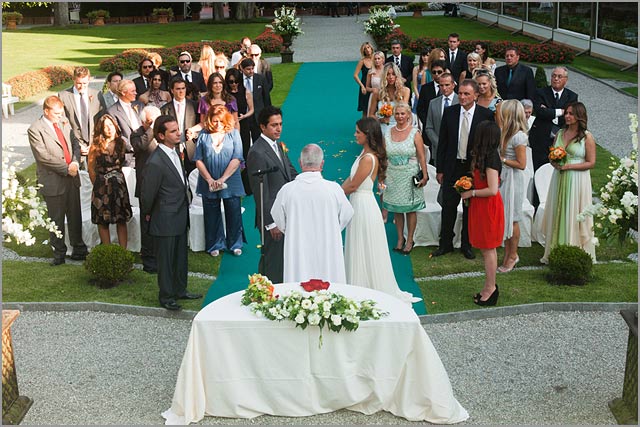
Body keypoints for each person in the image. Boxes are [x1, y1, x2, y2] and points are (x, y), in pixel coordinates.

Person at [342, 117, 421, 304]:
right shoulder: (364, 154)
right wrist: (336, 191)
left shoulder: (369, 159)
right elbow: (349, 179)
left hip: (363, 205)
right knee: (359, 242)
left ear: (367, 135)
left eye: (358, 132)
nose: (355, 135)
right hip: (358, 203)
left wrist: (332, 194)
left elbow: (353, 185)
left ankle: (366, 285)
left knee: (365, 244)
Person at [140, 115, 202, 311]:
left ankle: (180, 289)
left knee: (179, 256)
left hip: (179, 214)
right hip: (165, 217)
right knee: (166, 260)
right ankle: (166, 296)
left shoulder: (175, 153)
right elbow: (147, 194)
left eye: (178, 129)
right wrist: (150, 215)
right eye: (173, 131)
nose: (178, 133)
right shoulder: (156, 161)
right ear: (161, 135)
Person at [271, 144, 353, 283]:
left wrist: (291, 231)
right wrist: (332, 230)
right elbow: (347, 214)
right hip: (328, 245)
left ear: (300, 163)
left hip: (297, 245)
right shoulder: (333, 189)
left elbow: (277, 216)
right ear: (322, 164)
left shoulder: (287, 190)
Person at [432, 79, 495, 260]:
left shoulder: (485, 115)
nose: (462, 97)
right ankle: (445, 244)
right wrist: (440, 169)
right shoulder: (450, 113)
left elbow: (488, 145)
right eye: (460, 93)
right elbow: (442, 143)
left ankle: (467, 244)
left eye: (466, 94)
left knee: (470, 209)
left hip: (472, 169)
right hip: (452, 167)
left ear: (476, 95)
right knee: (448, 206)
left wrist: (482, 170)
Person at [27, 95, 88, 265]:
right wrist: (66, 168)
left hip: (72, 176)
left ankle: (79, 249)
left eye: (61, 113)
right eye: (56, 113)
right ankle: (59, 253)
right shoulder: (35, 129)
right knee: (56, 219)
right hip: (53, 180)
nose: (60, 116)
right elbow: (43, 156)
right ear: (46, 111)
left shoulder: (64, 122)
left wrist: (75, 162)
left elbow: (75, 143)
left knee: (75, 216)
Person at [246, 106, 298, 284]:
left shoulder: (277, 146)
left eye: (280, 124)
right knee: (273, 262)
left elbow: (290, 172)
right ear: (262, 127)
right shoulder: (257, 152)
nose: (279, 129)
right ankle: (270, 295)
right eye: (274, 125)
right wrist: (271, 223)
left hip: (285, 213)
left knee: (283, 260)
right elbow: (260, 192)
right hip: (273, 220)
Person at [540, 102, 596, 264]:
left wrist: (569, 166)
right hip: (559, 177)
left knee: (573, 211)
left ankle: (574, 249)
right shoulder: (559, 133)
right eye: (566, 113)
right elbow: (552, 154)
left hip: (577, 179)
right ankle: (554, 250)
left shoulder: (587, 137)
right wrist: (554, 162)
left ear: (579, 116)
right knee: (558, 209)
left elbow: (591, 162)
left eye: (571, 113)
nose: (567, 116)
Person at [460, 121, 505, 306]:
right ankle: (489, 286)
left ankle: (491, 288)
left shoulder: (492, 157)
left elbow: (493, 189)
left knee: (488, 249)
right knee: (485, 249)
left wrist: (472, 192)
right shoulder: (483, 155)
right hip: (481, 206)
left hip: (488, 206)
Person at [194, 105, 246, 257]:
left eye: (221, 121)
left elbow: (237, 158)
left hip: (231, 180)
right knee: (211, 213)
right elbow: (198, 159)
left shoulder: (234, 134)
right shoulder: (203, 135)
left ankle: (235, 243)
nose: (218, 124)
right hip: (207, 181)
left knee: (234, 211)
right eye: (215, 121)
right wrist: (210, 179)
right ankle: (214, 244)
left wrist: (223, 179)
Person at [382, 102, 428, 254]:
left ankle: (410, 240)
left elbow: (421, 156)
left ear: (408, 115)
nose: (400, 116)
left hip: (409, 174)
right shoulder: (388, 132)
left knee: (410, 209)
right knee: (396, 208)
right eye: (397, 114)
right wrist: (382, 175)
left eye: (403, 114)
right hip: (392, 174)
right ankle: (400, 238)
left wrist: (425, 174)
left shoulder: (415, 133)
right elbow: (383, 156)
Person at [87, 114, 133, 248]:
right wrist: (99, 184)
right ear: (100, 129)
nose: (109, 129)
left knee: (121, 220)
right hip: (101, 187)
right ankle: (107, 252)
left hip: (119, 186)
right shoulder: (95, 146)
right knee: (103, 221)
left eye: (111, 125)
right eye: (105, 126)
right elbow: (91, 169)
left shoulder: (122, 143)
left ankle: (123, 253)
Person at [497, 100, 528, 273]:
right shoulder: (504, 132)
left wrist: (502, 160)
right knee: (504, 216)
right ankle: (508, 252)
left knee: (513, 217)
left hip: (513, 179)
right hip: (503, 176)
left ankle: (513, 255)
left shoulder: (519, 136)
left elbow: (522, 164)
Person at [130, 105, 161, 273]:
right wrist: (151, 129)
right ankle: (148, 258)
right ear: (143, 121)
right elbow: (140, 146)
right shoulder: (137, 134)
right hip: (146, 187)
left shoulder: (163, 134)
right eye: (151, 120)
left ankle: (162, 254)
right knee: (147, 222)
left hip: (163, 187)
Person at [529, 67, 578, 171]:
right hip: (540, 139)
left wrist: (549, 112)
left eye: (559, 76)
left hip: (561, 139)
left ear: (566, 80)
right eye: (554, 76)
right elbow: (540, 111)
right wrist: (560, 112)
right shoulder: (540, 92)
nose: (556, 79)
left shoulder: (572, 96)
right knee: (538, 171)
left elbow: (570, 117)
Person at [58, 66, 104, 169]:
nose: (81, 86)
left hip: (94, 146)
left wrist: (93, 143)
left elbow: (102, 120)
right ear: (73, 79)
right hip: (74, 146)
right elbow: (62, 123)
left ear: (89, 80)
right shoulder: (63, 96)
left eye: (85, 83)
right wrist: (78, 144)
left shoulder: (97, 95)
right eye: (78, 83)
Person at [160, 78, 200, 177]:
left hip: (191, 147)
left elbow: (202, 125)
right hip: (173, 148)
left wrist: (195, 134)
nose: (181, 91)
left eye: (183, 88)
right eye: (178, 89)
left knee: (194, 178)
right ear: (172, 90)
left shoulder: (194, 105)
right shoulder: (164, 109)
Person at [225, 68, 255, 195]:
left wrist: (244, 116)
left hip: (243, 124)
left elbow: (252, 109)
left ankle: (247, 186)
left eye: (236, 81)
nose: (234, 84)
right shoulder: (225, 94)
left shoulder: (245, 91)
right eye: (231, 82)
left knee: (245, 153)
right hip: (229, 127)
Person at [106, 79, 143, 166]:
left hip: (144, 152)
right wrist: (132, 147)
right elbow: (117, 135)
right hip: (128, 156)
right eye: (133, 91)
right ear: (123, 93)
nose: (136, 93)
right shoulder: (112, 111)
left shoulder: (139, 105)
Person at [425, 72, 458, 165]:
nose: (444, 88)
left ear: (453, 85)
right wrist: (439, 143)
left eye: (447, 85)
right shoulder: (433, 103)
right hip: (438, 151)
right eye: (441, 85)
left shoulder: (461, 102)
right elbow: (429, 127)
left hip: (457, 151)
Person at [368, 63, 411, 130]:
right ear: (384, 76)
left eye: (393, 74)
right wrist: (381, 120)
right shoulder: (377, 93)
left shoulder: (405, 91)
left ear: (397, 76)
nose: (391, 77)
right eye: (388, 74)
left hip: (399, 127)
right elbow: (370, 115)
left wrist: (399, 93)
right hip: (382, 127)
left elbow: (404, 112)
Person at [240, 57, 271, 141]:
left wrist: (268, 115)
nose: (251, 71)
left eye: (252, 68)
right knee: (244, 140)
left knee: (258, 140)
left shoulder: (260, 78)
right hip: (243, 115)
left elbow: (266, 98)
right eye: (248, 69)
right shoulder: (238, 80)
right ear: (242, 69)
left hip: (258, 116)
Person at [416, 59, 447, 131]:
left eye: (439, 72)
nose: (436, 74)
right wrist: (428, 123)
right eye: (434, 72)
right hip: (428, 129)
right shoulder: (425, 89)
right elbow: (420, 109)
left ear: (444, 72)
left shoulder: (451, 88)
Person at [353, 42, 374, 118]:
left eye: (368, 47)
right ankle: (364, 128)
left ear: (371, 48)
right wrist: (362, 86)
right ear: (363, 51)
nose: (367, 50)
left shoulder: (377, 59)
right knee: (365, 110)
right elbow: (355, 75)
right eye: (365, 49)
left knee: (375, 108)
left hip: (375, 85)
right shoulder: (362, 61)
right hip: (365, 86)